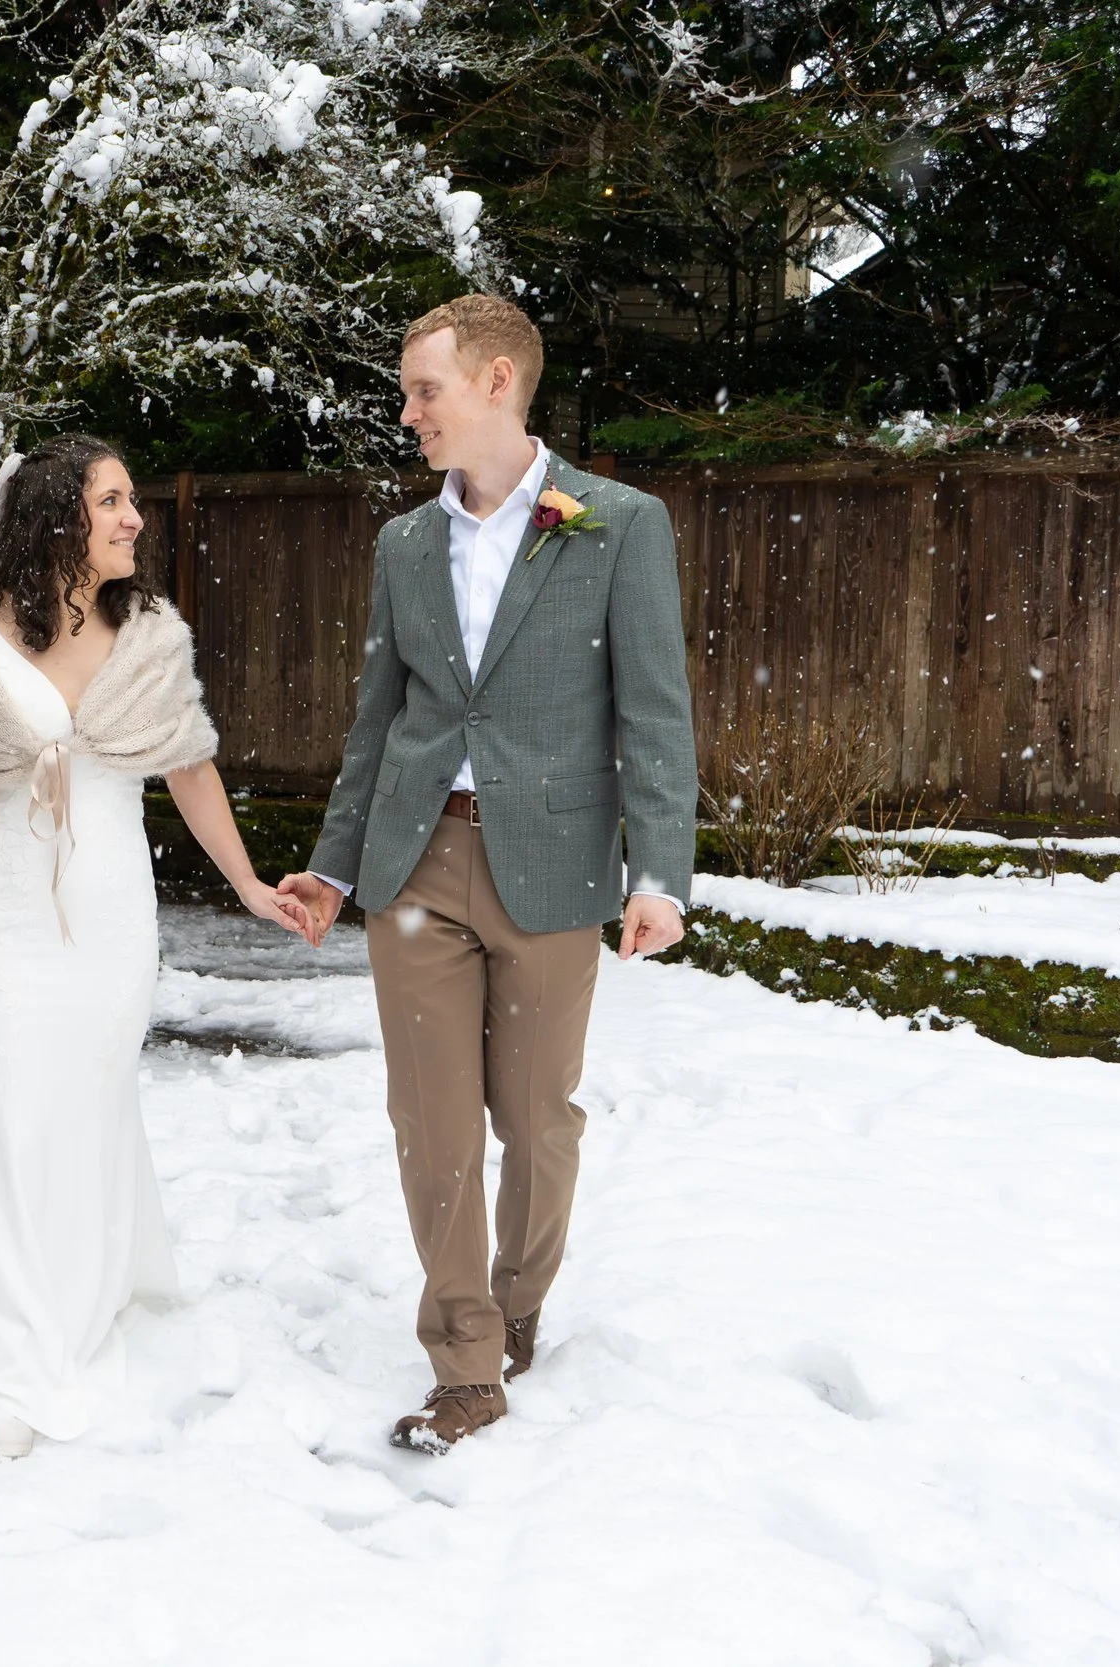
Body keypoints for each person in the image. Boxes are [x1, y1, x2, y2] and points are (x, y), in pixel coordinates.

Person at [278, 295, 696, 1454]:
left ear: (498, 381)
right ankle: (463, 1357)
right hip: (415, 860)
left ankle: (515, 1302)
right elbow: (379, 720)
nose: (408, 412)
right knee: (431, 1121)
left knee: (535, 1118)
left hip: (555, 866)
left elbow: (654, 713)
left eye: (425, 390)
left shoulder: (616, 524)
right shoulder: (404, 543)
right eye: (410, 392)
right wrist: (331, 863)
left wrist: (658, 871)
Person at [0, 434, 311, 1459]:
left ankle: (85, 1297)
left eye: (133, 500)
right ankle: (9, 1354)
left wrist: (246, 884)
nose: (134, 518)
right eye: (112, 500)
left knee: (85, 1112)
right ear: (57, 515)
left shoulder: (149, 633)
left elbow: (189, 767)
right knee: (7, 1115)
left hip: (110, 913)